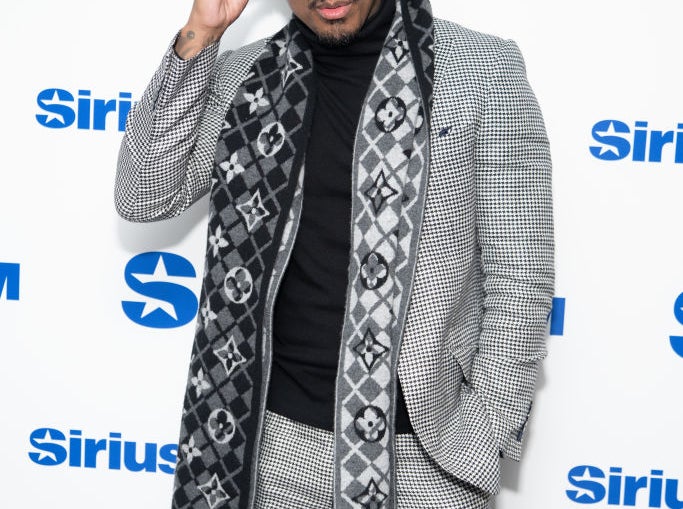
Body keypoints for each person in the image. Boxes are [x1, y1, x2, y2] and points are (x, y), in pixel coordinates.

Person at [115, 0, 554, 507]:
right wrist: (201, 31)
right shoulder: (245, 75)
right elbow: (144, 194)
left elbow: (522, 277)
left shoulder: (482, 72)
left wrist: (482, 434)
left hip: (422, 459)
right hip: (262, 447)